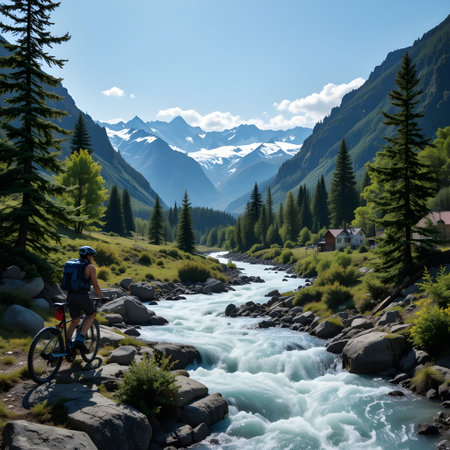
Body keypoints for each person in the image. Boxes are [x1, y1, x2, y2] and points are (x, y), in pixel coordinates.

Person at [66, 245, 105, 352]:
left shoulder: (72, 265)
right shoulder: (90, 267)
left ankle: (67, 344)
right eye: (92, 256)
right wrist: (102, 297)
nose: (92, 258)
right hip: (82, 296)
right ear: (88, 256)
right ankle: (80, 338)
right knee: (91, 315)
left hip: (70, 296)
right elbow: (95, 286)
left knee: (75, 321)